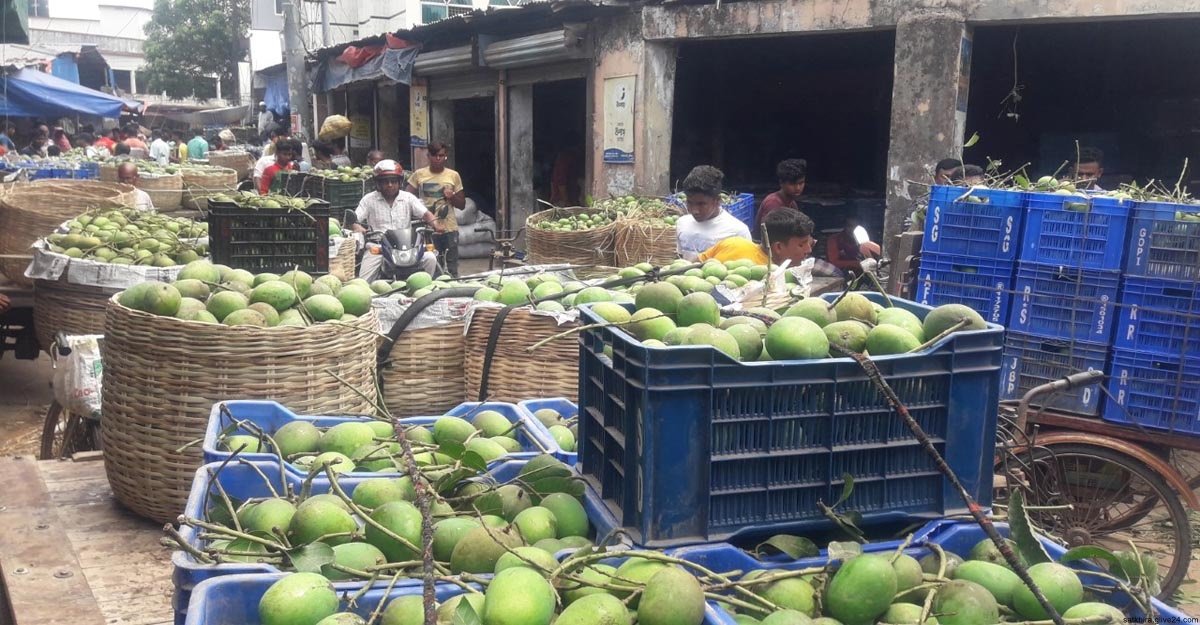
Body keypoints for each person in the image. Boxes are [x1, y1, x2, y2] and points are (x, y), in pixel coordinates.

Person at [353, 160, 442, 280]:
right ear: (378, 183)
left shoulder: (408, 198)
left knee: (430, 257)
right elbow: (355, 219)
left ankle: (425, 288)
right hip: (379, 247)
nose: (390, 185)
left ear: (400, 182)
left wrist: (435, 224)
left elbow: (425, 214)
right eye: (385, 181)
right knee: (363, 281)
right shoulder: (368, 200)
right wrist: (357, 227)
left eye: (393, 181)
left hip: (407, 247)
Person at [406, 141, 465, 277]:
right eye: (435, 155)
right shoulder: (419, 175)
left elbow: (462, 205)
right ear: (428, 156)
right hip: (427, 229)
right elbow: (407, 198)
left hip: (449, 227)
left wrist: (452, 196)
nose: (438, 159)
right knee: (432, 265)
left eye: (441, 155)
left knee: (451, 267)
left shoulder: (453, 175)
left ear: (446, 156)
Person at [675, 165, 751, 261]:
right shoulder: (682, 223)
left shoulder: (737, 231)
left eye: (701, 204)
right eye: (690, 202)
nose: (694, 210)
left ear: (718, 200)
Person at [698, 207, 816, 267]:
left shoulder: (733, 242)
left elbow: (695, 263)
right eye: (801, 244)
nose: (809, 250)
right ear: (778, 247)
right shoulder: (769, 278)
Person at [755, 158, 808, 233]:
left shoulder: (792, 204)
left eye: (801, 183)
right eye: (792, 184)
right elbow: (769, 236)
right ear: (781, 183)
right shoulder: (773, 203)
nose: (798, 188)